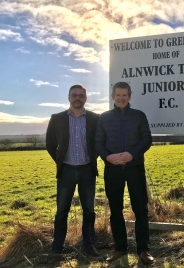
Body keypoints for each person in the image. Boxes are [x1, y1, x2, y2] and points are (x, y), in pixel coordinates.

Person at [95, 82, 154, 265]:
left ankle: (143, 249)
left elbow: (146, 139)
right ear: (113, 96)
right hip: (112, 170)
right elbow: (98, 142)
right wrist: (107, 157)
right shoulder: (104, 118)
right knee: (116, 210)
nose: (121, 98)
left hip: (135, 168)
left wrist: (131, 154)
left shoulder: (139, 116)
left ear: (130, 96)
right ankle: (120, 248)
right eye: (118, 95)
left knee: (140, 210)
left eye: (124, 95)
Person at [46, 84, 100, 256]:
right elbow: (50, 144)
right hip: (66, 171)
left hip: (87, 170)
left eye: (81, 95)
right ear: (68, 97)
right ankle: (57, 247)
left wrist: (93, 158)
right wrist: (61, 161)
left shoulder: (94, 118)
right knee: (62, 211)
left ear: (86, 98)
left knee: (89, 210)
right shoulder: (57, 118)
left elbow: (99, 142)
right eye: (74, 95)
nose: (78, 98)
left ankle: (89, 244)